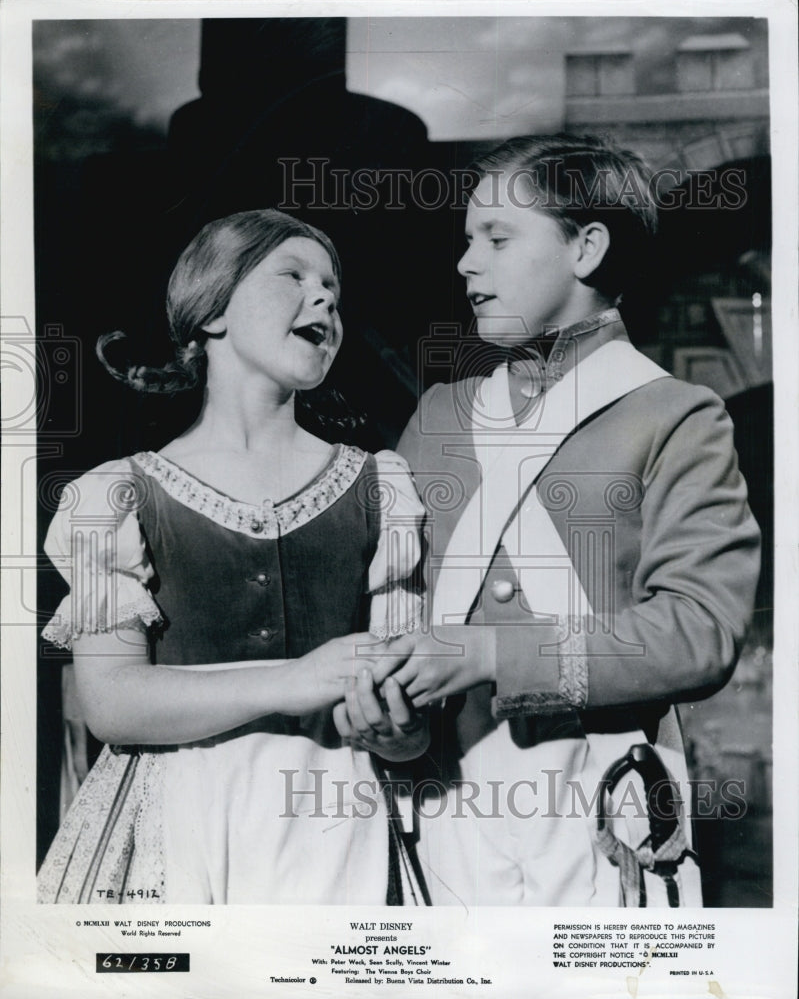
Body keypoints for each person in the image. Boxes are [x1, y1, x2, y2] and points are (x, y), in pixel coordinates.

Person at [375, 134, 761, 906]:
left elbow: (701, 631)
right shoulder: (441, 415)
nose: (465, 264)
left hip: (604, 807)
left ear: (585, 249)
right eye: (464, 241)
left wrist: (493, 650)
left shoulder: (675, 416)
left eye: (496, 237)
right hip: (449, 805)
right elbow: (396, 606)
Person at [37, 209, 428, 905]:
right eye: (293, 276)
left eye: (333, 287)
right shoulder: (114, 497)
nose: (326, 298)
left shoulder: (383, 488)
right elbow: (111, 702)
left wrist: (396, 732)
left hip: (337, 825)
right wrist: (296, 679)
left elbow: (406, 722)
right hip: (175, 823)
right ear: (211, 312)